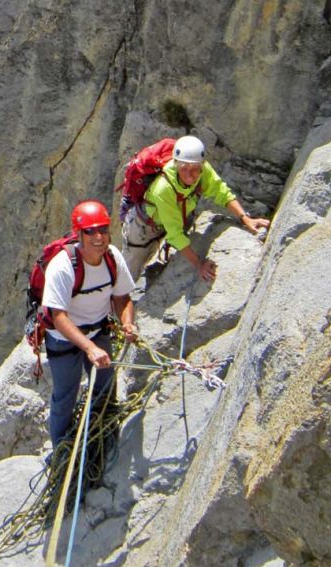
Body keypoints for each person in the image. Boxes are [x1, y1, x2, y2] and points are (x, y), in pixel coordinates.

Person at [42, 200, 137, 449]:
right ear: (79, 234)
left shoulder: (112, 258)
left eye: (103, 230)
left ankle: (103, 436)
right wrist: (89, 348)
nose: (99, 237)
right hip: (64, 340)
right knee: (65, 396)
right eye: (90, 231)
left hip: (98, 330)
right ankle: (62, 450)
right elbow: (58, 316)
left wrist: (127, 323)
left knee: (106, 388)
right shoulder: (62, 267)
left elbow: (122, 298)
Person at [120, 135, 271, 281]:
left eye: (195, 169)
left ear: (202, 164)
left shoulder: (203, 170)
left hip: (172, 217)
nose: (190, 175)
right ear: (176, 163)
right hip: (143, 228)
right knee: (129, 273)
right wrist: (199, 264)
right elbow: (175, 234)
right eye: (184, 168)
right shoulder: (163, 188)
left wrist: (245, 219)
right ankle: (114, 303)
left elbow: (221, 192)